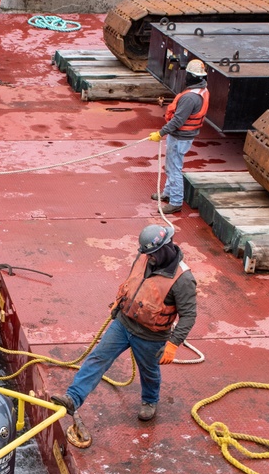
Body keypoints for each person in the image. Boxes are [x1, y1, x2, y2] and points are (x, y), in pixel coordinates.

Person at [51, 222, 197, 428]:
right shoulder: (144, 258)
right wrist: (119, 308)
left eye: (154, 253)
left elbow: (189, 315)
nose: (150, 258)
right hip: (123, 323)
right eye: (149, 254)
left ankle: (149, 401)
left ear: (166, 247)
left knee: (149, 371)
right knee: (98, 357)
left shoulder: (183, 279)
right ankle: (73, 398)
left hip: (150, 336)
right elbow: (133, 284)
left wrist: (173, 344)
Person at [149, 58, 209, 216]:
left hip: (180, 137)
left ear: (191, 76)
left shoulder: (190, 98)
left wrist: (160, 133)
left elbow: (178, 120)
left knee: (174, 169)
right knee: (171, 166)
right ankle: (168, 193)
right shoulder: (202, 90)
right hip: (183, 136)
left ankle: (175, 202)